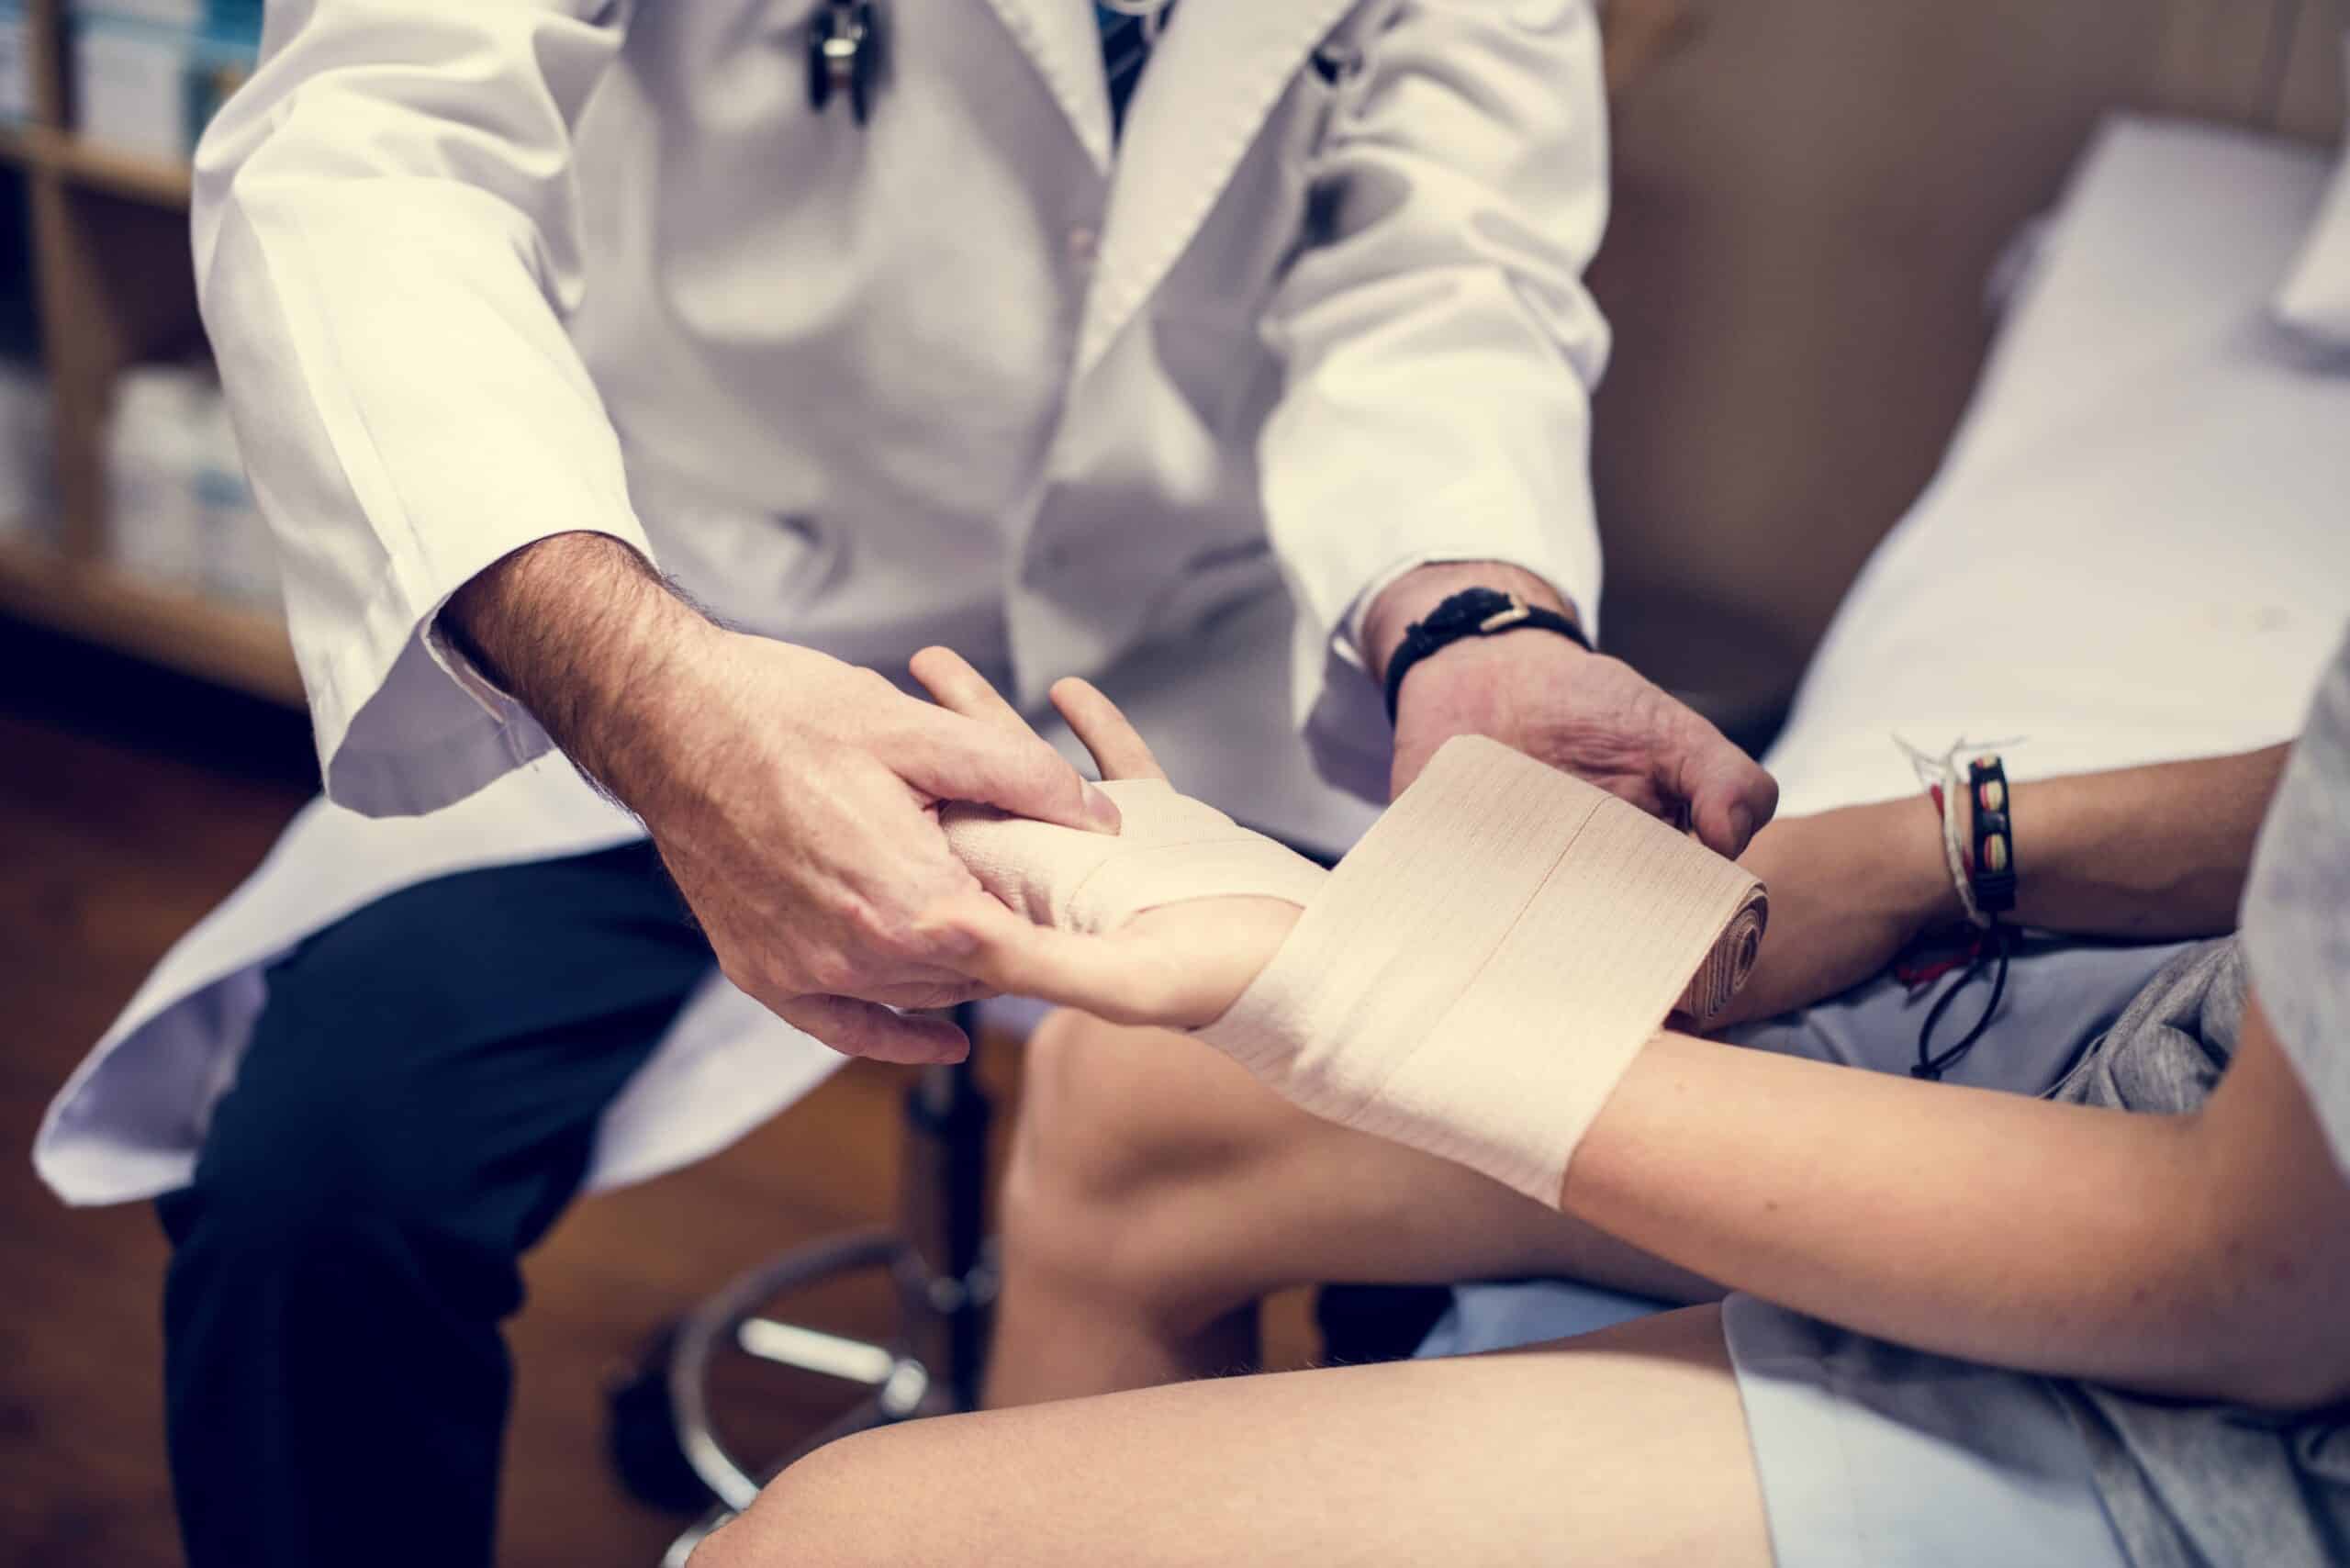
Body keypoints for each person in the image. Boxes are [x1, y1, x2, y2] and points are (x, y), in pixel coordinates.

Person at [31, 4, 1776, 1566]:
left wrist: (1466, 614)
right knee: (314, 1199)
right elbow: (364, 146)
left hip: (1204, 670)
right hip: (705, 629)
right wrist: (649, 689)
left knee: (1465, 1211)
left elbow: (1442, 271)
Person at [691, 640, 2350, 1568]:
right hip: (2204, 1052)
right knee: (1141, 1089)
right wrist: (1941, 857)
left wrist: (1343, 992)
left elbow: (2250, 1288)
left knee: (834, 1548)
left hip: (2263, 1397)